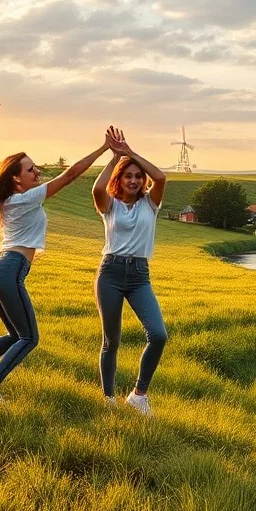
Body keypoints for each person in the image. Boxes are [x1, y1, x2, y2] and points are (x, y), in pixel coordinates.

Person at [0, 135, 115, 401]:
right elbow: (72, 173)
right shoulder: (25, 198)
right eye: (30, 169)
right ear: (16, 179)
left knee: (15, 334)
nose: (37, 171)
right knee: (29, 338)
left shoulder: (9, 200)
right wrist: (104, 148)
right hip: (9, 269)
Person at [92, 127, 168, 415]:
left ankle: (139, 395)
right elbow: (97, 189)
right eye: (128, 175)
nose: (134, 180)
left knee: (158, 335)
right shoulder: (110, 206)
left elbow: (160, 177)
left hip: (139, 275)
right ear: (119, 180)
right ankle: (108, 399)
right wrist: (115, 158)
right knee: (111, 341)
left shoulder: (151, 204)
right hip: (110, 272)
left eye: (138, 176)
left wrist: (130, 152)